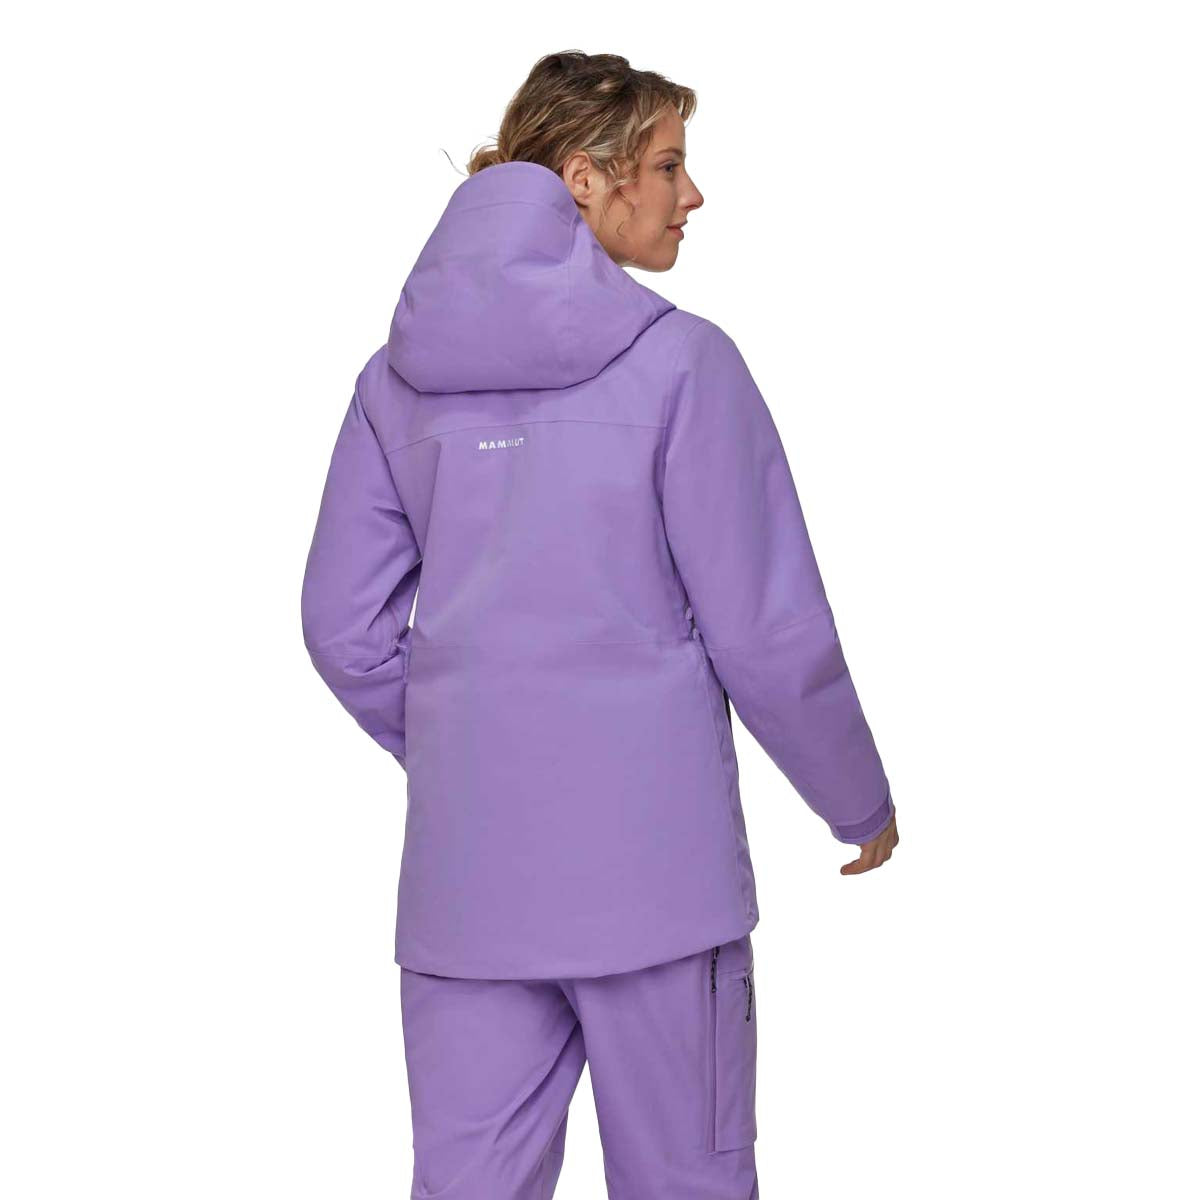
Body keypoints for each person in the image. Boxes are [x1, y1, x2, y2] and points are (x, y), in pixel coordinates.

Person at [301, 49, 898, 1200]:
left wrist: (478, 747)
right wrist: (856, 801)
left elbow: (342, 626)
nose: (693, 194)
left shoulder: (393, 380)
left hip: (469, 895)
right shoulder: (682, 362)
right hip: (660, 888)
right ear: (585, 178)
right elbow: (766, 629)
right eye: (668, 166)